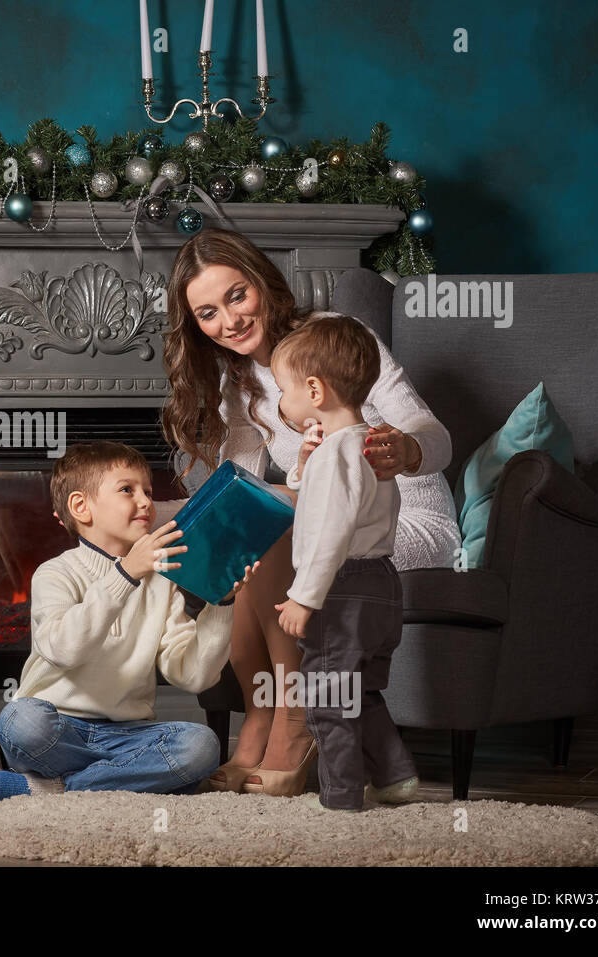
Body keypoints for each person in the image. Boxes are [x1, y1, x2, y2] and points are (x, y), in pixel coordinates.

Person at [159, 228, 460, 796]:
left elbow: (435, 434)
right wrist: (157, 515)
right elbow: (241, 489)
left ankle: (295, 724)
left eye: (237, 295)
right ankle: (261, 720)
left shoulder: (336, 337)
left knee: (272, 530)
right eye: (207, 312)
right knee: (251, 528)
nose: (229, 320)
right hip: (329, 516)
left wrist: (408, 449)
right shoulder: (236, 379)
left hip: (400, 525)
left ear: (262, 283)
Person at [0, 440, 259, 804]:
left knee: (200, 745)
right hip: (58, 730)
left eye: (148, 491)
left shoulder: (162, 583)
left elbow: (193, 675)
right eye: (128, 490)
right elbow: (63, 649)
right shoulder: (56, 573)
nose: (146, 502)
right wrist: (125, 575)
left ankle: (55, 788)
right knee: (21, 721)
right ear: (81, 507)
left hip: (129, 735)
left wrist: (222, 602)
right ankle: (128, 779)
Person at [271, 314, 420, 811]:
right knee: (363, 692)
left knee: (329, 698)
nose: (281, 402)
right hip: (382, 584)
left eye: (284, 391)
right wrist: (304, 466)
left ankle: (340, 799)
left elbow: (329, 533)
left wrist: (303, 596)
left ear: (314, 390)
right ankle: (395, 777)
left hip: (342, 586)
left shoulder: (338, 456)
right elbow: (335, 503)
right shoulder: (369, 447)